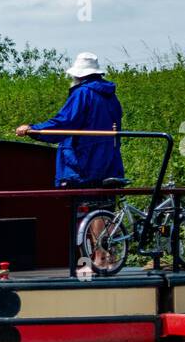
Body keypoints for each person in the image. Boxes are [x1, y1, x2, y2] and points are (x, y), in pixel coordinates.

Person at [15, 52, 125, 272]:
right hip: (109, 160)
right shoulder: (110, 96)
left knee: (91, 208)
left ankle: (99, 258)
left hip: (85, 162)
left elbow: (64, 123)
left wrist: (33, 130)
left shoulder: (82, 94)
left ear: (78, 75)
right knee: (104, 206)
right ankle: (108, 257)